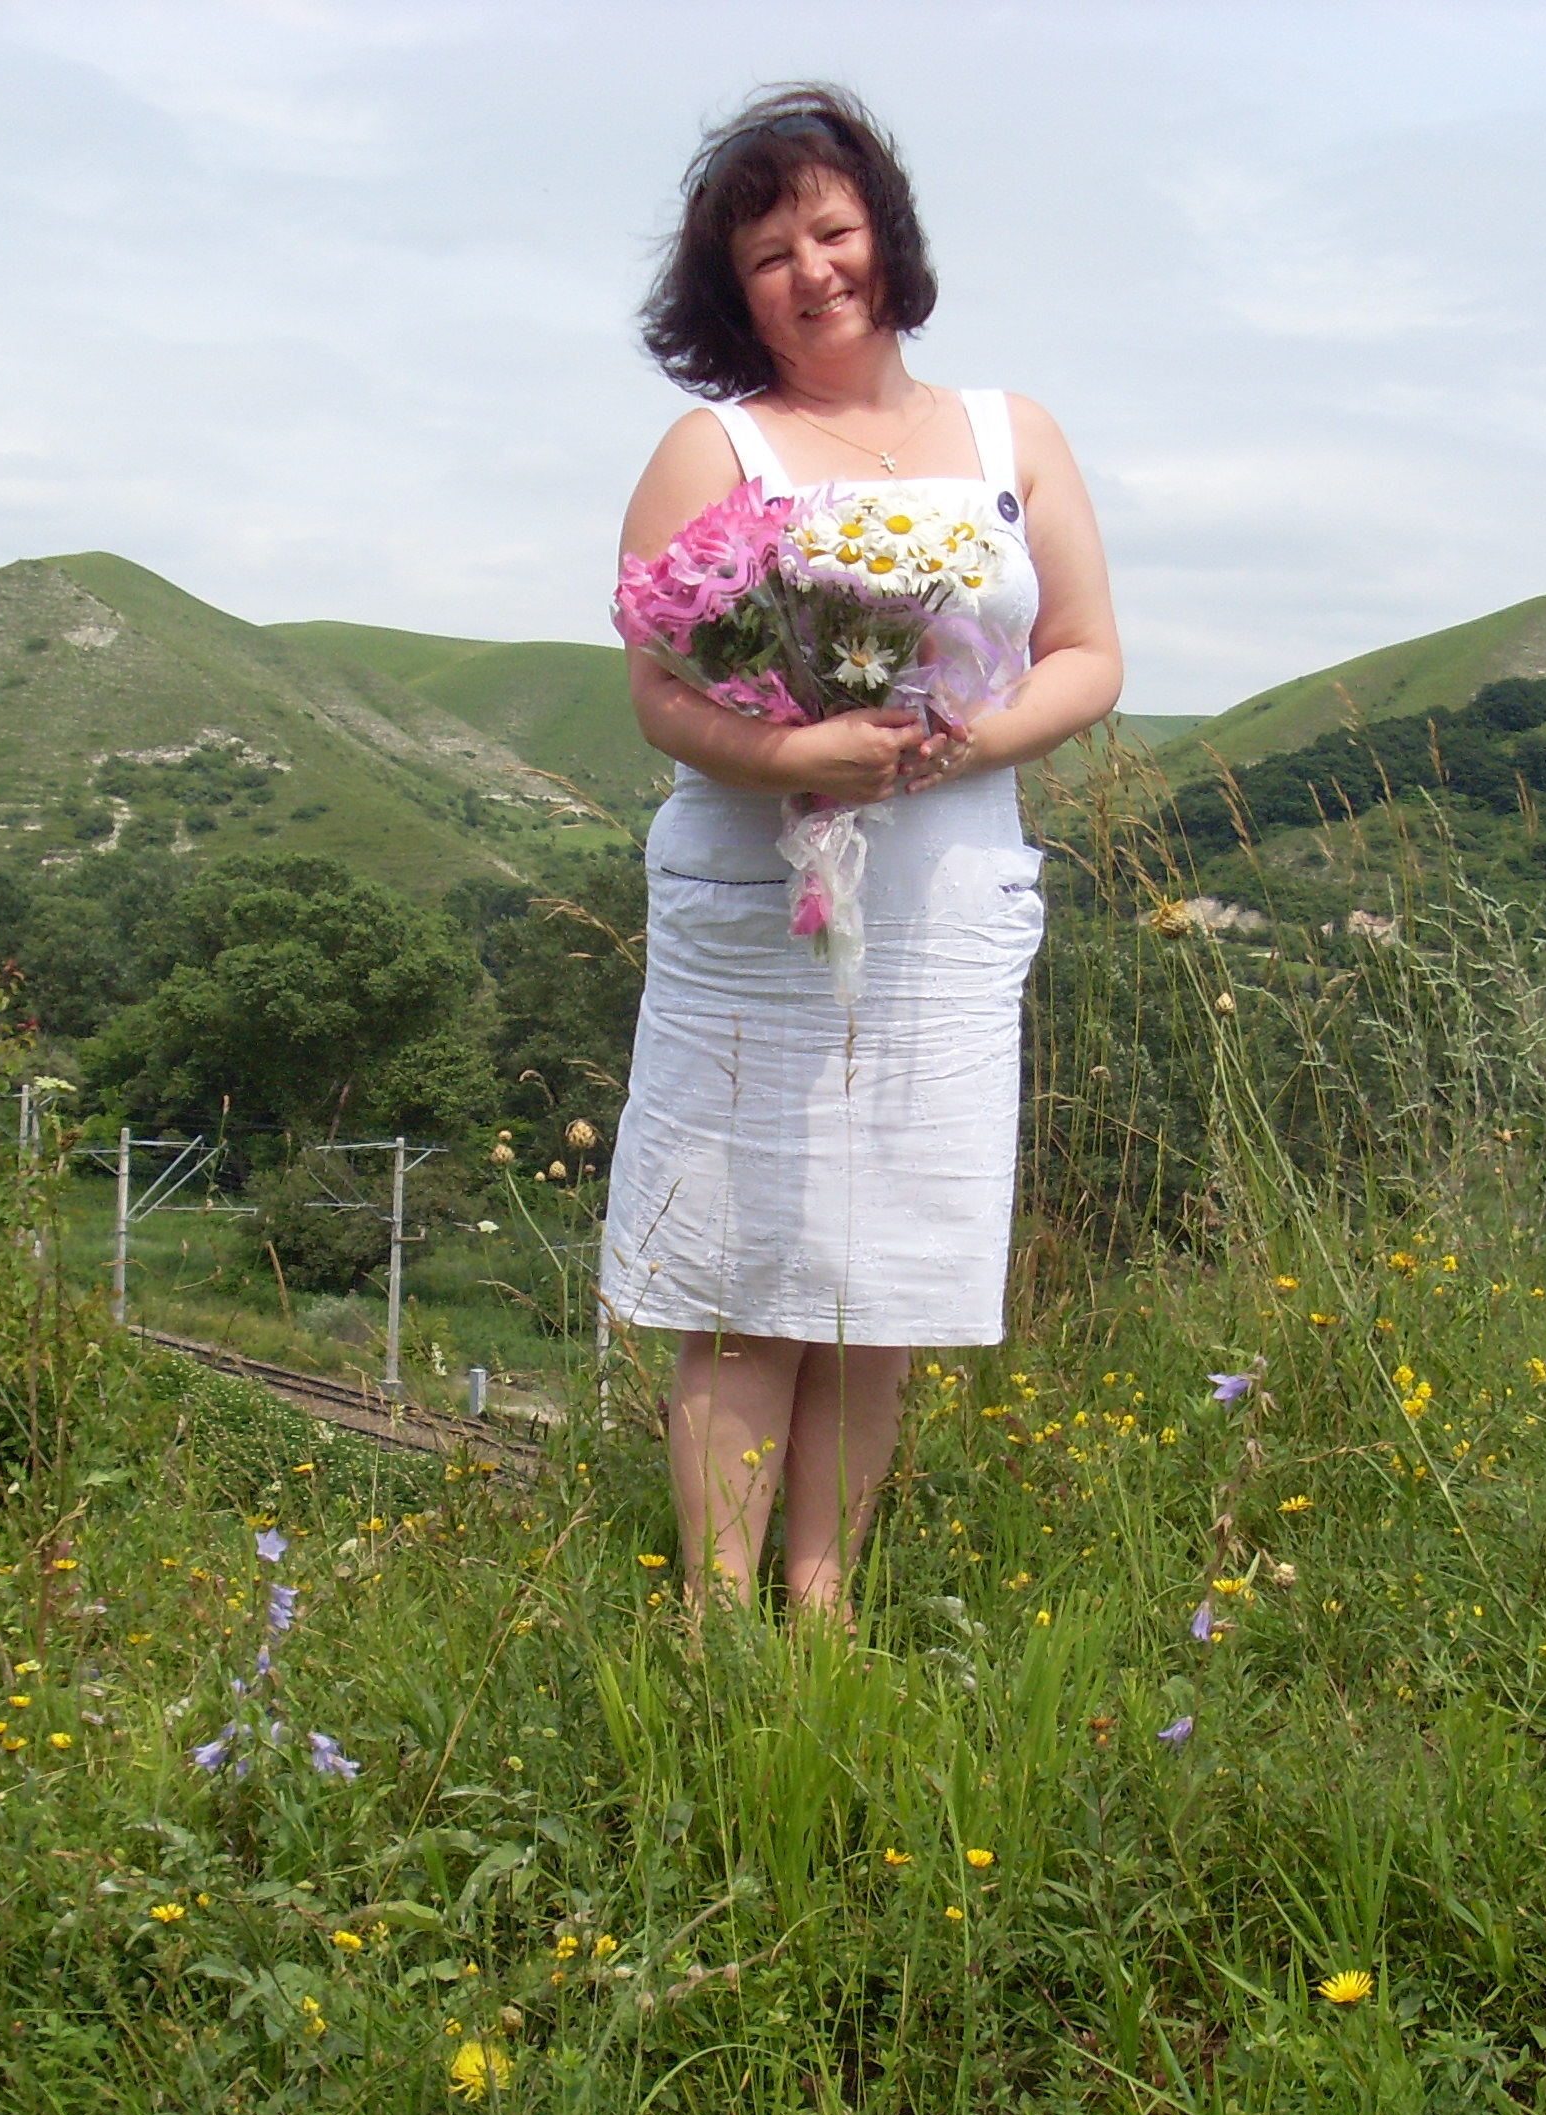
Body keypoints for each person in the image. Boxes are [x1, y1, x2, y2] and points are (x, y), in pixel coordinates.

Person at [599, 86, 1124, 1622]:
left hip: (942, 906)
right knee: (740, 1274)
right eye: (768, 256)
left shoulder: (1013, 435)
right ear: (733, 292)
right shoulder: (714, 447)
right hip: (759, 911)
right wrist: (797, 758)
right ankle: (717, 1624)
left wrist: (959, 741)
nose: (811, 271)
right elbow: (661, 690)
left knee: (881, 1279)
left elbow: (1088, 655)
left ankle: (822, 1610)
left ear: (885, 236)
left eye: (831, 232)